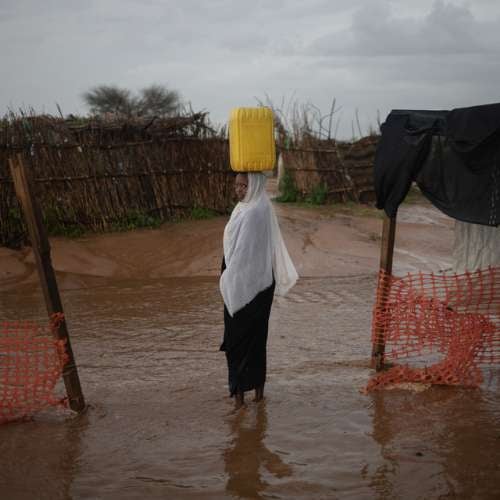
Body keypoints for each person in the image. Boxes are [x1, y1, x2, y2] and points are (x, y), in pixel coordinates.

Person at [220, 172, 298, 407]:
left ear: (254, 185)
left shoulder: (254, 211)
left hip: (247, 286)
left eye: (244, 185)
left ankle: (239, 402)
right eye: (237, 185)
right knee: (256, 341)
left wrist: (230, 281)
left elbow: (243, 254)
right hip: (261, 283)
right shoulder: (254, 205)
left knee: (238, 342)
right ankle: (258, 396)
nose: (239, 190)